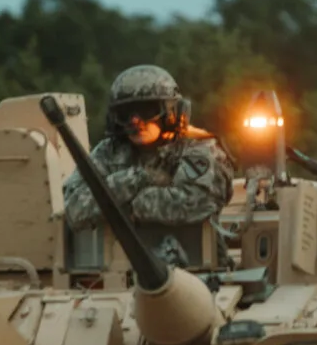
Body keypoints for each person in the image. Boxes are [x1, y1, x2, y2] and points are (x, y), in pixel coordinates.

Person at [62, 65, 236, 269]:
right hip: (116, 273)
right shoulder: (108, 152)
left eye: (146, 111)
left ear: (171, 112)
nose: (136, 121)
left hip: (196, 272)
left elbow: (197, 203)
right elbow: (75, 209)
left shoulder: (198, 149)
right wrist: (138, 177)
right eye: (126, 113)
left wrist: (127, 205)